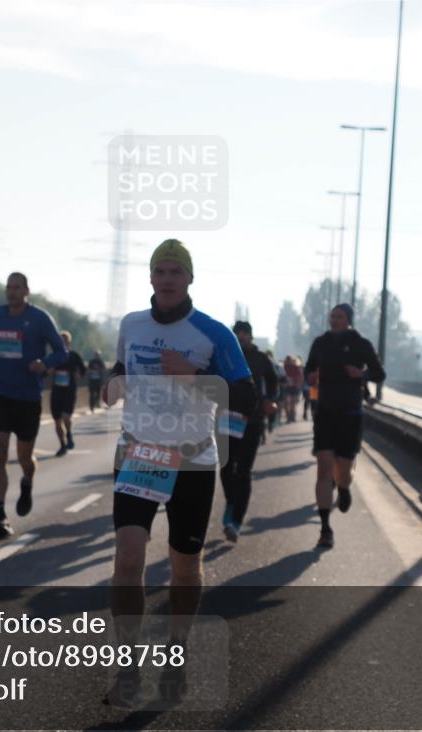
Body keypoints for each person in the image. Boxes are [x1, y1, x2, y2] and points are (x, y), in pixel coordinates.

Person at [102, 239, 255, 707]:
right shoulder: (132, 324)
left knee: (184, 566)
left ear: (189, 279)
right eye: (159, 271)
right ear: (150, 278)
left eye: (175, 271)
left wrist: (195, 377)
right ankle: (127, 669)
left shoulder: (212, 334)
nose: (166, 279)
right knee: (128, 559)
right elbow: (119, 368)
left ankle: (176, 654)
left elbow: (244, 396)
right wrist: (109, 384)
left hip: (192, 459)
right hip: (140, 454)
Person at [0, 272, 67, 539]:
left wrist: (44, 365)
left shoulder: (40, 318)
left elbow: (60, 351)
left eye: (17, 287)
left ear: (26, 291)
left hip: (27, 396)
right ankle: (0, 515)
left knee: (24, 456)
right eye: (8, 287)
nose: (11, 292)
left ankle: (27, 480)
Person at [304, 303, 385, 549]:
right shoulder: (320, 343)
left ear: (349, 320)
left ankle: (344, 487)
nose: (334, 320)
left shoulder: (361, 344)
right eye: (332, 316)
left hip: (350, 413)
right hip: (325, 412)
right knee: (324, 468)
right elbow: (309, 369)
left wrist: (361, 375)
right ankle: (325, 528)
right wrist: (311, 377)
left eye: (339, 317)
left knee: (344, 467)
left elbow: (379, 373)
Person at [219, 321, 278, 543]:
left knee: (243, 471)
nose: (241, 337)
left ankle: (236, 520)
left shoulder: (262, 359)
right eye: (237, 334)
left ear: (251, 337)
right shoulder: (224, 355)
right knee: (225, 468)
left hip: (252, 421)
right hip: (227, 418)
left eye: (244, 334)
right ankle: (231, 502)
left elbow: (273, 382)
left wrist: (271, 400)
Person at [49, 330, 87, 456]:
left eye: (65, 341)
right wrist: (50, 371)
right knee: (57, 420)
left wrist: (78, 375)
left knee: (66, 417)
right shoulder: (54, 356)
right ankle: (62, 445)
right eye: (61, 341)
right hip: (56, 391)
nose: (63, 343)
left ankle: (69, 434)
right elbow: (44, 370)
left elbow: (83, 370)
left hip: (69, 391)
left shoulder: (74, 356)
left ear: (69, 342)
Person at [283, 355, 303, 422]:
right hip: (287, 387)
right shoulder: (284, 367)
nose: (288, 362)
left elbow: (299, 377)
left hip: (294, 387)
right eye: (287, 360)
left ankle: (292, 416)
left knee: (293, 403)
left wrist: (297, 384)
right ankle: (289, 417)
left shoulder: (295, 367)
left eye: (289, 360)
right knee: (287, 403)